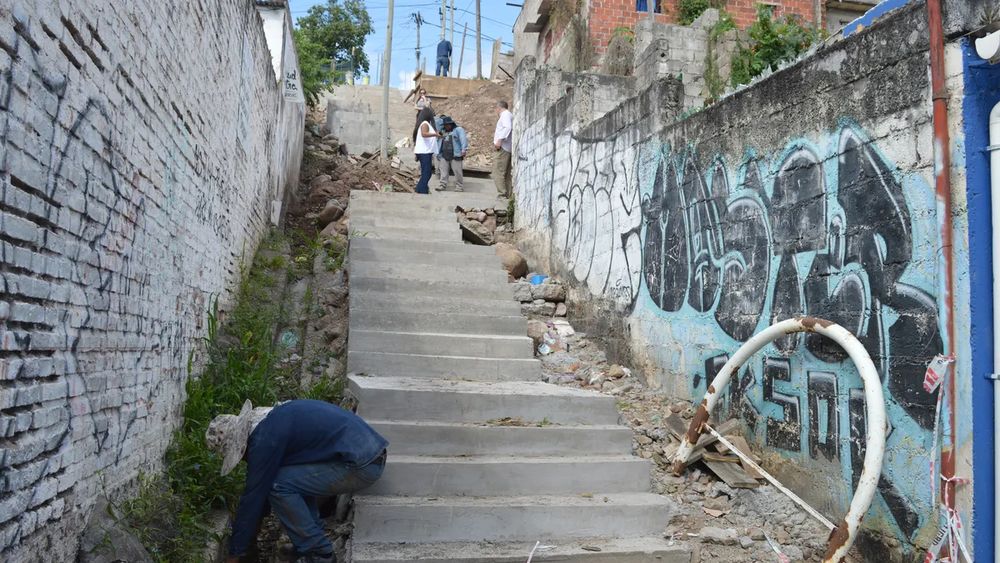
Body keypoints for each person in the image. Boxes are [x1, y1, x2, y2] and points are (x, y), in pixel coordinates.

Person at [207, 399, 388, 563]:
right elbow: (258, 494)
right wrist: (248, 542)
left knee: (278, 485)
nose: (245, 461)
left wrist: (234, 554)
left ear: (241, 446)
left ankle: (319, 553)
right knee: (288, 479)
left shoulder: (264, 441)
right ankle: (311, 540)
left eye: (241, 457)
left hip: (362, 465)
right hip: (369, 452)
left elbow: (254, 496)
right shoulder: (270, 422)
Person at [413, 106, 442, 194]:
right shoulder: (425, 123)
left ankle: (422, 189)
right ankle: (420, 190)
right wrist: (435, 134)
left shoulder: (423, 123)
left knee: (426, 173)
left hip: (425, 152)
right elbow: (424, 134)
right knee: (427, 173)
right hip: (424, 152)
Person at [435, 116, 468, 192]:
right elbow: (438, 139)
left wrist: (464, 149)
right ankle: (442, 185)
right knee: (443, 171)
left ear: (451, 124)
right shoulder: (442, 131)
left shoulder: (458, 130)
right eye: (445, 125)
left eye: (448, 124)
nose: (447, 126)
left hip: (455, 154)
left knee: (457, 171)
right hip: (444, 154)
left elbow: (463, 139)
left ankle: (459, 186)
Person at [492, 100, 513, 199]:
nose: (496, 111)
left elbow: (507, 127)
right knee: (506, 173)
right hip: (506, 147)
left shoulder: (505, 115)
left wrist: (499, 140)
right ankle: (507, 194)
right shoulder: (508, 115)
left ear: (498, 108)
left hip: (503, 148)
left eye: (496, 109)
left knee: (497, 171)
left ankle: (502, 194)